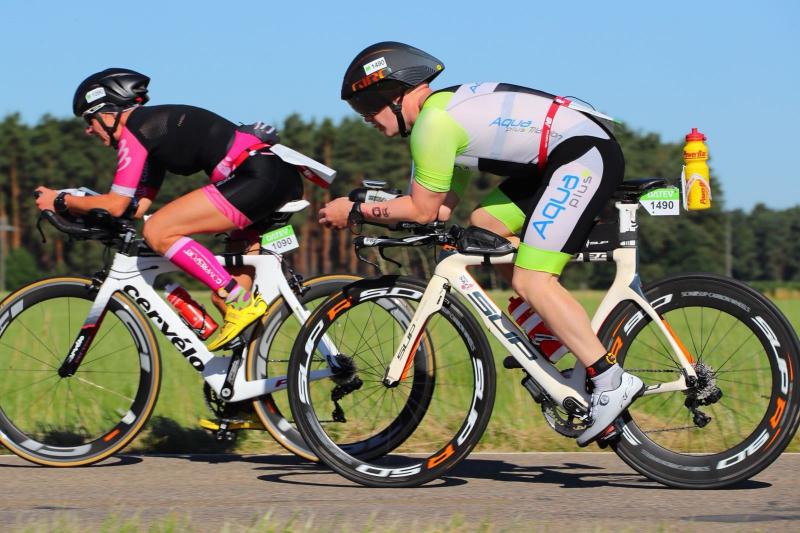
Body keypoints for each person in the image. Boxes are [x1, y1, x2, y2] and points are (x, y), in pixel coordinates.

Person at [319, 42, 644, 446]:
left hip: (582, 155)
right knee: (485, 225)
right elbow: (439, 210)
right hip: (561, 157)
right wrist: (373, 206)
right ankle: (551, 332)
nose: (365, 117)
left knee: (532, 280)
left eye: (368, 105)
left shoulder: (433, 125)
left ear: (397, 94)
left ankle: (611, 380)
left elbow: (422, 209)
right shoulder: (439, 116)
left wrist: (355, 211)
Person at [34, 68, 305, 351]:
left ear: (108, 113)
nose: (88, 130)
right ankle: (247, 371)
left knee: (159, 229)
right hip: (266, 175)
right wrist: (85, 208)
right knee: (222, 302)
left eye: (89, 120)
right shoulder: (151, 133)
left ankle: (240, 301)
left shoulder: (136, 130)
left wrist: (62, 200)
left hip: (258, 176)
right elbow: (135, 207)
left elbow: (116, 204)